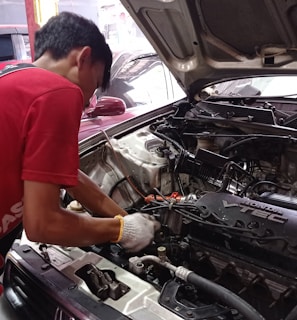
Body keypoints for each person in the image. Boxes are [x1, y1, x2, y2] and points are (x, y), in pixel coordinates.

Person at [0, 12, 160, 279]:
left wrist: (126, 218)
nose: (88, 102)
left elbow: (69, 177)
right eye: (95, 85)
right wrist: (120, 230)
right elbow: (43, 225)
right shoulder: (59, 92)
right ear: (83, 57)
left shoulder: (14, 77)